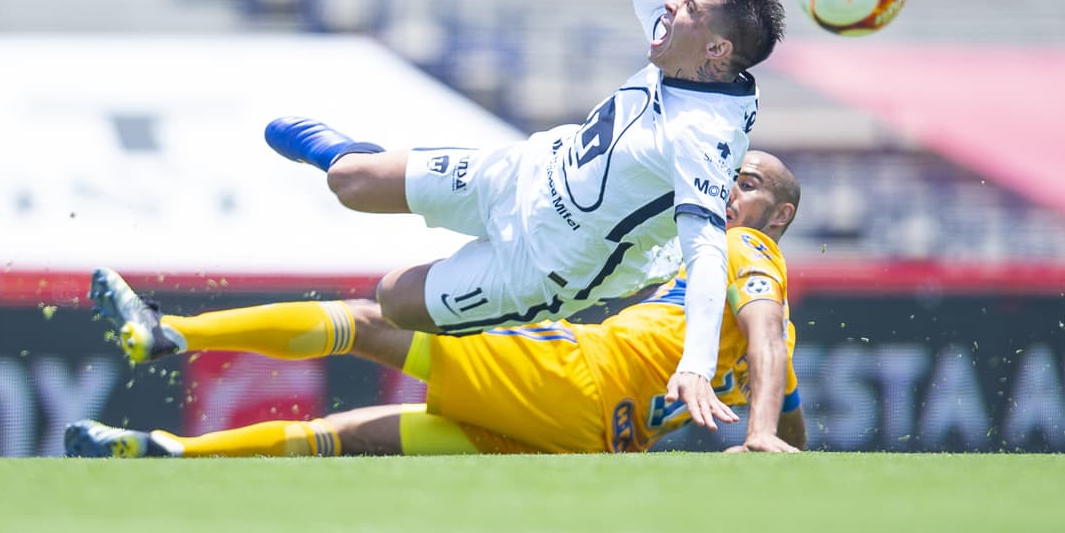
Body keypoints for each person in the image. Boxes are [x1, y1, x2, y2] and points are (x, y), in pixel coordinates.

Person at [259, 0, 787, 428]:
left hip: (548, 262)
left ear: (717, 49)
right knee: (351, 181)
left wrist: (696, 365)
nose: (673, 7)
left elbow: (706, 252)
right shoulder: (689, 46)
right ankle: (358, 168)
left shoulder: (703, 137)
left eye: (690, 7)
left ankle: (513, 362)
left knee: (392, 300)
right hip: (526, 171)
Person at [65, 150, 806, 458]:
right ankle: (171, 452)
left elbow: (765, 335)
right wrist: (781, 443)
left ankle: (165, 332)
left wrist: (760, 434)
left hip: (574, 377)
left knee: (370, 321)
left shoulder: (746, 247)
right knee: (353, 438)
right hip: (587, 441)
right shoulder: (763, 332)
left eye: (747, 185)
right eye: (727, 176)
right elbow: (781, 379)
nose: (728, 190)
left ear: (779, 217)